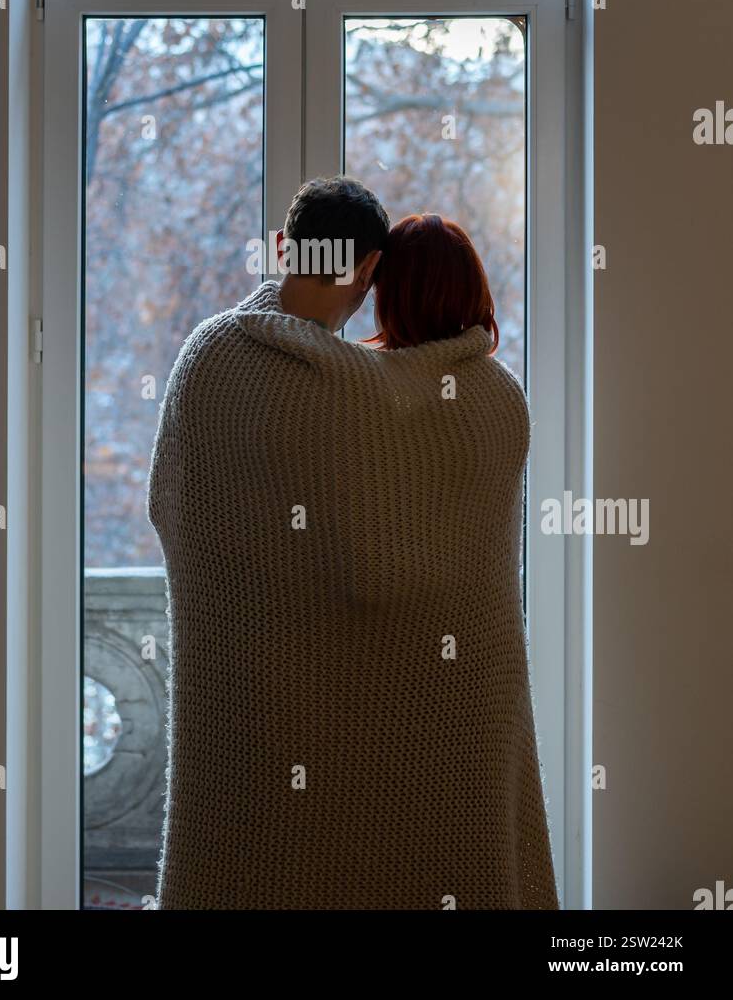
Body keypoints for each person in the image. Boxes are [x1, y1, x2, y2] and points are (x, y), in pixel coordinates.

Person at [147, 179, 558, 910]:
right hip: (450, 741)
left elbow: (169, 508)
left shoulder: (206, 360)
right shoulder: (485, 400)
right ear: (370, 271)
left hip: (248, 727)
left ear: (286, 248)